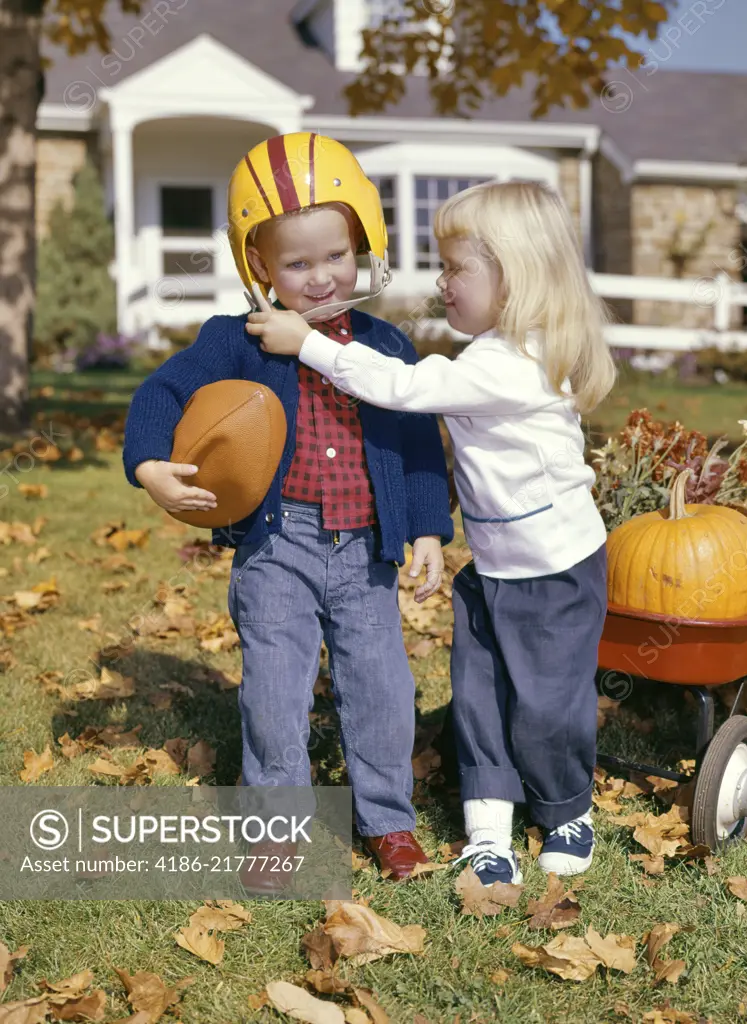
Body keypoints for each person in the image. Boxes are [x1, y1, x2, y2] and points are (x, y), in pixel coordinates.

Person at [246, 179, 616, 883]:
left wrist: (310, 346)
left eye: (455, 269)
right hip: (492, 567)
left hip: (554, 572)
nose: (441, 283)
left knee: (545, 702)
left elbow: (406, 391)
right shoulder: (491, 353)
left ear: (517, 276)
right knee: (477, 696)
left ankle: (564, 807)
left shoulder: (515, 363)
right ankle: (487, 830)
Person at [122, 132, 453, 890]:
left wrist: (428, 525)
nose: (318, 275)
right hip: (279, 545)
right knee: (274, 689)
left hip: (367, 550)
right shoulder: (238, 341)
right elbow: (159, 395)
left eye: (334, 255)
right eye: (296, 263)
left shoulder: (384, 344)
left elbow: (415, 442)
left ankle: (387, 819)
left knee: (381, 686)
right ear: (260, 267)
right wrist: (149, 465)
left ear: (363, 243)